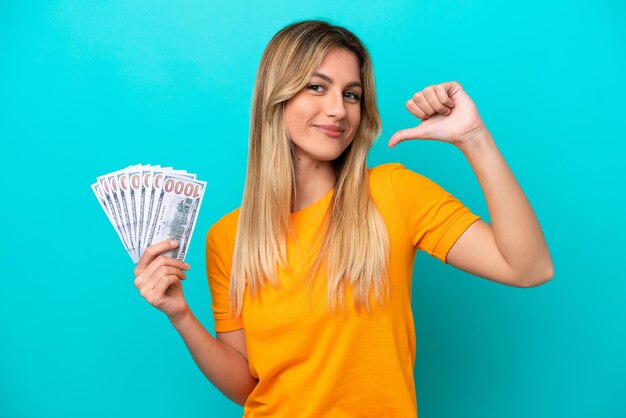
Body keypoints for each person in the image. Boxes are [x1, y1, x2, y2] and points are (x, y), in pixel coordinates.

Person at [132, 19, 554, 418]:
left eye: (351, 95)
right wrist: (180, 315)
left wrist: (473, 138)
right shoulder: (228, 237)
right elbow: (248, 384)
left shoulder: (394, 192)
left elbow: (528, 267)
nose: (338, 109)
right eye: (317, 87)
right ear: (277, 97)